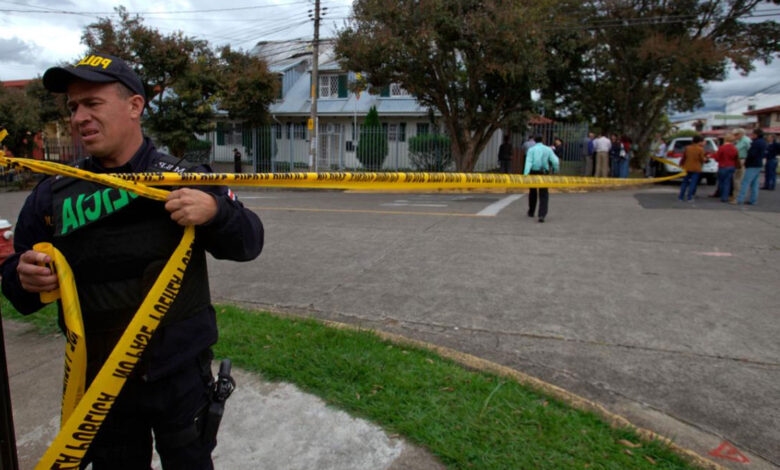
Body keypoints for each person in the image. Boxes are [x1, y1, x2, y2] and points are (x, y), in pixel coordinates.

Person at [0, 53, 264, 469]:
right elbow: (17, 288)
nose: (79, 117)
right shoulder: (52, 195)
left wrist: (217, 213)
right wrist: (22, 276)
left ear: (135, 106)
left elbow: (250, 241)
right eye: (72, 107)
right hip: (102, 385)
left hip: (180, 375)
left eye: (92, 103)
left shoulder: (184, 177)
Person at [523, 135, 560, 223]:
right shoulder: (548, 149)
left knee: (532, 192)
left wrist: (526, 174)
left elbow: (528, 161)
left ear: (534, 140)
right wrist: (555, 169)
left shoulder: (531, 150)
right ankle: (542, 214)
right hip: (544, 173)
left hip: (533, 172)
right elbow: (555, 161)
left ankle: (531, 212)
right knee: (544, 194)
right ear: (543, 140)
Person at [736, 128, 766, 205]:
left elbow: (752, 154)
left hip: (752, 164)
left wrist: (746, 161)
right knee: (754, 183)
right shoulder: (763, 142)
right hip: (758, 164)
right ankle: (753, 200)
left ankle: (740, 199)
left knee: (745, 182)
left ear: (756, 134)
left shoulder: (756, 143)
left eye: (753, 134)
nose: (752, 136)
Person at [678, 135, 706, 202]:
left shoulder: (687, 148)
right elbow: (702, 159)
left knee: (685, 182)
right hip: (696, 168)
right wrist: (705, 160)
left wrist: (681, 163)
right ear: (699, 142)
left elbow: (684, 157)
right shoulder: (700, 149)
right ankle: (689, 197)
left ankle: (680, 197)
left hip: (687, 167)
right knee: (693, 183)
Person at [712, 133, 738, 203]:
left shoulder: (722, 148)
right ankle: (725, 197)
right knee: (727, 182)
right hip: (731, 166)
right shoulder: (734, 148)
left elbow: (717, 158)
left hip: (723, 166)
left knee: (721, 182)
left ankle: (721, 194)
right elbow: (736, 157)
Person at [731, 128, 751, 203]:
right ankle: (735, 195)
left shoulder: (746, 141)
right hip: (738, 160)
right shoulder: (739, 141)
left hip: (742, 159)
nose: (735, 136)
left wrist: (746, 160)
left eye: (736, 134)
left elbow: (750, 150)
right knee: (736, 179)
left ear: (741, 134)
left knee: (738, 180)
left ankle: (737, 197)